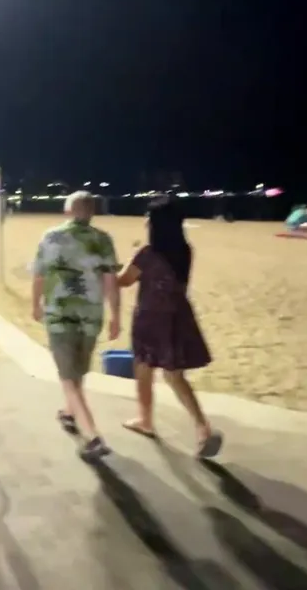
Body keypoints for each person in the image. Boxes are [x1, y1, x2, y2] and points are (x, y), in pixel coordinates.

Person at [116, 197, 223, 459]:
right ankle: (203, 427)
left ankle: (145, 420)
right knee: (175, 375)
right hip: (177, 316)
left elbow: (124, 281)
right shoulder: (185, 251)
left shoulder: (147, 254)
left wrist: (114, 268)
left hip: (150, 318)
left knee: (143, 367)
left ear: (155, 223)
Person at [31, 190, 121, 463]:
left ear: (67, 210)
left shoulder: (50, 237)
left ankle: (93, 436)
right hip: (91, 314)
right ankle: (70, 412)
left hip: (60, 313)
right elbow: (111, 281)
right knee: (78, 369)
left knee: (68, 376)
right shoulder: (103, 239)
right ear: (91, 212)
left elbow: (39, 275)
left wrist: (35, 304)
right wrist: (116, 315)